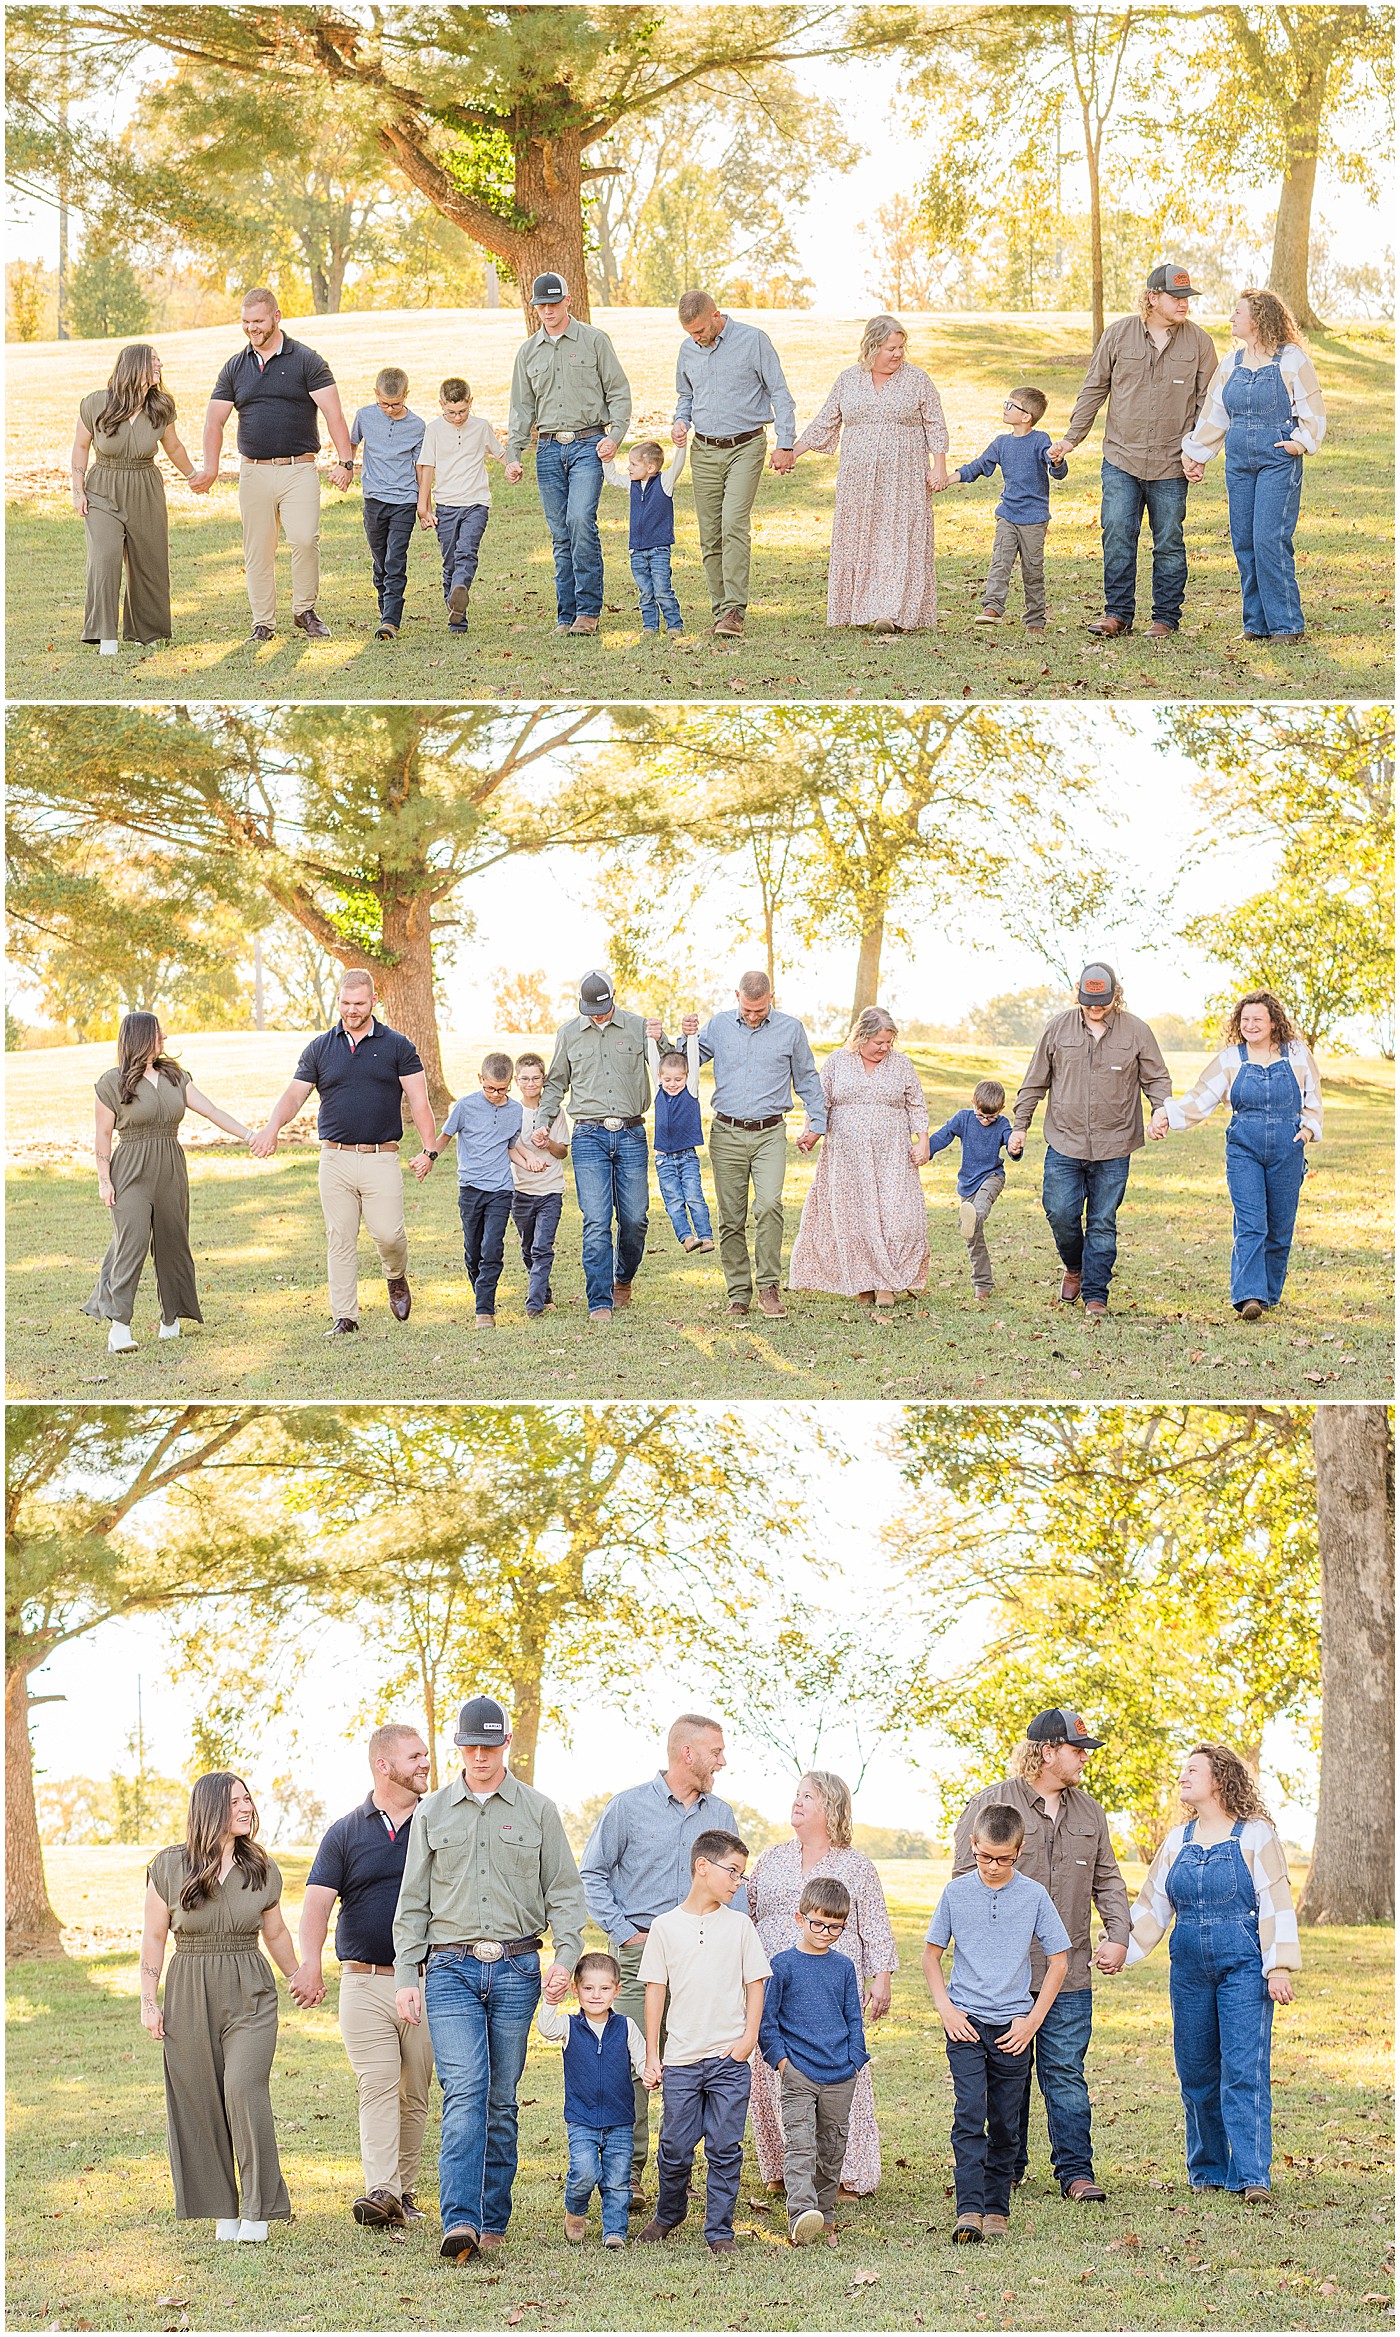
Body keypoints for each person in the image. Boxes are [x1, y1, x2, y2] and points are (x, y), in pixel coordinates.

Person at [393, 1695, 586, 2265]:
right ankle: (460, 2220)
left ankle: (493, 2216)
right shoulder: (432, 1811)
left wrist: (564, 1959)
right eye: (469, 1746)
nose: (479, 1756)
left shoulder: (538, 1810)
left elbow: (567, 1896)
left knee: (501, 2100)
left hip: (518, 1969)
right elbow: (412, 1904)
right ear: (459, 1747)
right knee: (465, 2089)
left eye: (490, 1745)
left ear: (506, 1745)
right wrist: (408, 1974)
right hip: (449, 1969)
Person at [952, 1708, 1132, 2203]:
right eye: (1077, 1750)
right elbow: (963, 1887)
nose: (1083, 1760)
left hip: (1067, 1972)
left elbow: (1108, 1878)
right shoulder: (992, 1804)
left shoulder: (1090, 1813)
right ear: (1047, 1751)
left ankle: (1075, 2171)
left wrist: (1118, 1933)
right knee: (1005, 2080)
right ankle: (1005, 2169)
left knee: (1065, 2072)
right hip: (1002, 1980)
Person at [1124, 1744, 1300, 2202]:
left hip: (1244, 1966)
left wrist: (1277, 1965)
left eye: (1193, 1770)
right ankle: (1207, 2170)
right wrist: (1119, 1949)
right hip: (1188, 1969)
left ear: (1219, 1780)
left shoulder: (1256, 1835)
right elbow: (1152, 1906)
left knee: (1243, 2069)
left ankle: (1251, 2176)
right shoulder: (1176, 1841)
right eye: (1182, 1769)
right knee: (1196, 2070)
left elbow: (1275, 1901)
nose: (1183, 1776)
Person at [579, 1715, 739, 2205]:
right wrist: (626, 1934)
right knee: (630, 2066)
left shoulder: (723, 1814)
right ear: (686, 1754)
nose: (723, 1761)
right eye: (716, 1751)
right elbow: (593, 1874)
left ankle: (677, 2177)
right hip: (637, 1958)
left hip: (703, 1959)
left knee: (691, 2062)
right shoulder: (627, 1808)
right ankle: (627, 2177)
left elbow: (737, 1884)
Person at [139, 1773, 298, 2240]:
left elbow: (276, 1932)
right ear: (210, 1810)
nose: (247, 1807)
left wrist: (298, 1976)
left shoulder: (262, 1868)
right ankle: (222, 2209)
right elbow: (153, 1937)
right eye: (236, 1801)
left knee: (245, 2086)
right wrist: (149, 2001)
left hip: (249, 1989)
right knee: (200, 2099)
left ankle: (258, 2207)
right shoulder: (169, 1867)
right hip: (188, 1988)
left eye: (249, 1798)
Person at [291, 1725, 436, 2229]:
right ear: (383, 1764)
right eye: (415, 1756)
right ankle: (382, 2189)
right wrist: (309, 1961)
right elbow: (316, 1904)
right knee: (376, 2083)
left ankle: (405, 2192)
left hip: (425, 1981)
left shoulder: (439, 1823)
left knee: (414, 2092)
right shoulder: (346, 1831)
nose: (425, 1762)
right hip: (363, 1982)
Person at [249, 969, 440, 1337]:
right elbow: (294, 1095)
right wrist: (273, 1127)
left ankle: (396, 1276)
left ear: (373, 1001)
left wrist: (428, 1149)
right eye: (346, 1003)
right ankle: (345, 1317)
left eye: (360, 1003)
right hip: (334, 1158)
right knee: (339, 1238)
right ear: (338, 1001)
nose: (352, 1011)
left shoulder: (398, 1045)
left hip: (381, 1157)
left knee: (388, 1235)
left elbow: (419, 1100)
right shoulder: (320, 1047)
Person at [746, 1771, 898, 2201]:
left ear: (830, 1807)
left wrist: (880, 1976)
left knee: (838, 2066)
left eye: (806, 1796)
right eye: (796, 1794)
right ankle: (782, 2168)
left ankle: (845, 2173)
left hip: (831, 1983)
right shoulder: (772, 1859)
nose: (796, 1801)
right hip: (776, 1982)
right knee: (773, 2067)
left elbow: (875, 1924)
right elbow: (749, 1915)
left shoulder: (855, 1865)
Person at [924, 1804, 1071, 2244]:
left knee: (1006, 2121)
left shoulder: (1034, 1896)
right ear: (973, 1846)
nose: (993, 1866)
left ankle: (996, 2208)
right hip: (965, 2022)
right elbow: (931, 1955)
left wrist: (1032, 2020)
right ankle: (968, 2208)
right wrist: (947, 2009)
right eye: (985, 1856)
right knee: (970, 2114)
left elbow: (1059, 1960)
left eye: (1004, 1859)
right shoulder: (955, 1893)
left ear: (1019, 1852)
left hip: (1013, 2026)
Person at [1048, 261, 1217, 640]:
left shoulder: (1200, 343)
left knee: (1169, 541)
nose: (1184, 304)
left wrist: (1198, 452)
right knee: (1118, 533)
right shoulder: (1119, 335)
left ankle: (1166, 618)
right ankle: (1118, 614)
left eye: (1187, 297)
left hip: (1172, 463)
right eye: (1177, 297)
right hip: (1121, 459)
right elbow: (1094, 388)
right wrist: (1072, 438)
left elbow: (1209, 405)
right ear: (1153, 297)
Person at [83, 1010, 254, 1355]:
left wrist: (250, 1135)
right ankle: (119, 1327)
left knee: (173, 1243)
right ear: (143, 1037)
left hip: (171, 1169)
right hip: (130, 1172)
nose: (165, 1039)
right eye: (159, 1034)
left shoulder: (176, 1077)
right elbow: (102, 1138)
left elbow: (213, 1111)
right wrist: (104, 1181)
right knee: (130, 1243)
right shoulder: (111, 1083)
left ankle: (170, 1319)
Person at [1008, 964, 1173, 1321]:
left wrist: (1161, 1110)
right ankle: (1074, 1266)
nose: (1095, 1008)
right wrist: (1020, 1126)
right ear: (1078, 994)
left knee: (1102, 1221)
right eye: (1088, 1001)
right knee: (1060, 1211)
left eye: (1101, 1001)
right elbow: (1034, 1081)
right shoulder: (1058, 1027)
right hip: (1065, 1140)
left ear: (1115, 994)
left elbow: (1157, 1079)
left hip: (1115, 1143)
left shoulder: (1137, 1031)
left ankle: (1096, 1294)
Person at [636, 1829, 771, 2257]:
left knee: (724, 2146)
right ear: (702, 1867)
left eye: (741, 1875)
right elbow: (655, 1991)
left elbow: (756, 1982)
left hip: (729, 2057)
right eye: (732, 1871)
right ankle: (669, 2213)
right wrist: (653, 2056)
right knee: (674, 2145)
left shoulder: (740, 1925)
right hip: (681, 2058)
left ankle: (719, 2230)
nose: (737, 1882)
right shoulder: (664, 1927)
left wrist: (748, 2039)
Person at [192, 287, 353, 642]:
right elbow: (213, 422)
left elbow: (333, 413)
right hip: (253, 472)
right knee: (258, 550)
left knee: (304, 539)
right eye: (246, 322)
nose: (252, 328)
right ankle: (262, 623)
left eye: (258, 321)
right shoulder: (235, 367)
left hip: (299, 469)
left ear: (276, 317)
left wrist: (346, 461)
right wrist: (211, 467)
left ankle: (304, 611)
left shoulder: (307, 360)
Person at [1150, 990, 1321, 1320]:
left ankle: (1269, 1293)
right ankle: (1249, 1297)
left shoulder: (1297, 1053)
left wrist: (1308, 1130)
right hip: (1244, 1148)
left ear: (1273, 1023)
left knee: (1280, 1226)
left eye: (1258, 1019)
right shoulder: (1231, 1059)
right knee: (1251, 1222)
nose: (1251, 1025)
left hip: (1288, 1148)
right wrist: (1166, 1115)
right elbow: (1199, 1099)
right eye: (1245, 1020)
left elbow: (1313, 1096)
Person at [1181, 289, 1327, 644]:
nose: (1231, 318)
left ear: (1259, 318)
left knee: (1269, 539)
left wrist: (1301, 442)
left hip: (1277, 461)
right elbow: (1215, 413)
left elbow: (1313, 408)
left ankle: (1287, 624)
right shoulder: (1231, 362)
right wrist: (1197, 453)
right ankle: (1256, 624)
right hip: (1239, 463)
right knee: (1244, 540)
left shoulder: (1291, 359)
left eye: (1237, 312)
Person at [790, 315, 948, 633]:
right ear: (872, 346)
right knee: (862, 539)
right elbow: (826, 421)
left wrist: (939, 465)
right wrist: (792, 453)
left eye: (902, 347)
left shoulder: (917, 380)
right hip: (857, 479)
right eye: (891, 348)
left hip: (904, 478)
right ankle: (861, 608)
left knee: (898, 541)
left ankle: (890, 612)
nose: (898, 354)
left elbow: (935, 422)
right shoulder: (848, 380)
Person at [682, 973, 826, 1320]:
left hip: (770, 1133)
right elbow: (685, 1060)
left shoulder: (791, 1030)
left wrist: (817, 1124)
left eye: (759, 1010)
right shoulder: (719, 1026)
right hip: (726, 1132)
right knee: (731, 1218)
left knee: (770, 1205)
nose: (752, 1016)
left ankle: (768, 1287)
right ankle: (738, 1294)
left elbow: (807, 1077)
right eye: (747, 1009)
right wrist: (683, 1035)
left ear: (771, 998)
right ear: (737, 997)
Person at [503, 273, 631, 637]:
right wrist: (514, 454)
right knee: (560, 534)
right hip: (546, 450)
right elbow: (520, 409)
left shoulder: (594, 341)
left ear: (568, 301)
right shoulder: (528, 352)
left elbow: (619, 393)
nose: (548, 311)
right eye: (541, 305)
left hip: (589, 445)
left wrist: (616, 437)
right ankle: (566, 615)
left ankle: (589, 610)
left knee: (579, 520)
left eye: (554, 304)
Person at [787, 1005, 929, 1313]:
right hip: (846, 1156)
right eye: (878, 1042)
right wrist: (811, 1133)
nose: (884, 1048)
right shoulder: (838, 1061)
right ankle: (862, 1283)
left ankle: (887, 1283)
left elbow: (916, 1104)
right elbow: (819, 1102)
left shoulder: (901, 1065)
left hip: (892, 1154)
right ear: (861, 1036)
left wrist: (923, 1142)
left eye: (888, 1042)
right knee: (853, 1217)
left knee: (894, 1216)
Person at [671, 290, 796, 639]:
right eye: (689, 334)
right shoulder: (688, 349)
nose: (696, 339)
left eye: (699, 330)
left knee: (733, 523)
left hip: (746, 445)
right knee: (709, 533)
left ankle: (734, 611)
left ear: (715, 315)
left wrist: (785, 443)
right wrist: (681, 421)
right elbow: (686, 395)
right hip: (704, 449)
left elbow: (780, 393)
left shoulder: (752, 341)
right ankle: (720, 609)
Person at [758, 1877, 871, 2245]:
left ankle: (823, 2212)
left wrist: (855, 2058)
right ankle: (801, 2213)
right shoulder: (783, 1965)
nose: (825, 1932)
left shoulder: (843, 1967)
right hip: (798, 2073)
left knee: (832, 2145)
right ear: (799, 1918)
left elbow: (854, 2017)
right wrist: (781, 2062)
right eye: (817, 1923)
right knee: (801, 2143)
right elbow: (767, 2020)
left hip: (841, 2073)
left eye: (835, 1926)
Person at [538, 970, 651, 1324]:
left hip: (632, 1134)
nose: (598, 1016)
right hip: (589, 1136)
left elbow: (671, 1066)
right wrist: (543, 1120)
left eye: (602, 1009)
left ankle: (623, 1278)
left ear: (614, 996)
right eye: (591, 1010)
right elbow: (555, 1083)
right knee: (597, 1220)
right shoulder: (569, 1034)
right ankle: (599, 1300)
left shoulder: (639, 1027)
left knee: (634, 1220)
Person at [70, 342, 196, 652]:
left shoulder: (161, 406)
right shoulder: (95, 404)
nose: (160, 365)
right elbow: (80, 446)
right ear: (134, 365)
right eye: (154, 360)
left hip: (145, 487)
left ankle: (147, 633)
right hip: (102, 488)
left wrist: (194, 475)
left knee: (150, 561)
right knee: (105, 557)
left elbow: (174, 447)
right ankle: (104, 635)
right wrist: (77, 489)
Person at [535, 1951, 650, 2247]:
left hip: (620, 2118)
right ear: (576, 1990)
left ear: (617, 1991)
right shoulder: (569, 2027)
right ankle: (575, 2209)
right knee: (585, 2171)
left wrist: (650, 2073)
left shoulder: (625, 2027)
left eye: (604, 1989)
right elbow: (546, 2029)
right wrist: (550, 2001)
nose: (596, 1995)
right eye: (588, 1988)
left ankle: (615, 2231)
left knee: (617, 2179)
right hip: (582, 2118)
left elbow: (641, 2059)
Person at [941, 385, 1068, 632]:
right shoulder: (1001, 443)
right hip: (1007, 515)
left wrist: (1058, 459)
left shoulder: (1040, 440)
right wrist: (949, 478)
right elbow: (978, 466)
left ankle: (1035, 619)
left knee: (1032, 570)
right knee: (1000, 561)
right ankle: (993, 607)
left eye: (1011, 405)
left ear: (1025, 417)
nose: (1005, 408)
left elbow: (1056, 470)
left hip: (1033, 519)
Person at [439, 1051, 550, 1328]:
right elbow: (444, 1137)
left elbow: (511, 1147)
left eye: (502, 1089)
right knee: (473, 1251)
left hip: (501, 1189)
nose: (496, 1094)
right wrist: (427, 1157)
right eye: (490, 1088)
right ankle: (482, 1293)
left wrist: (530, 1162)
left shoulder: (514, 1111)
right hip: (470, 1188)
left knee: (492, 1248)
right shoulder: (464, 1106)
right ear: (480, 1079)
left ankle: (484, 1310)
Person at [415, 376, 506, 636]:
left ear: (471, 403)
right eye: (451, 412)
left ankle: (460, 588)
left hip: (476, 502)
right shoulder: (433, 430)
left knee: (466, 551)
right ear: (441, 404)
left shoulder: (480, 426)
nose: (457, 418)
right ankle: (457, 617)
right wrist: (424, 507)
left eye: (463, 411)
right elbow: (427, 469)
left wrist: (511, 465)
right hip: (445, 505)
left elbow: (499, 452)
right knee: (450, 561)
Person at [349, 365, 426, 641]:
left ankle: (391, 620)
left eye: (396, 404)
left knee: (395, 559)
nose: (390, 409)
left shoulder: (417, 426)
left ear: (406, 395)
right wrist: (346, 466)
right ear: (375, 395)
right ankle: (385, 608)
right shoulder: (365, 416)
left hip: (404, 500)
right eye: (384, 403)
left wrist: (424, 503)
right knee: (380, 559)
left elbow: (422, 467)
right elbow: (352, 443)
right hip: (374, 499)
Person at [925, 1077, 1016, 1304]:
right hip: (968, 1184)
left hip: (992, 1176)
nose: (986, 1121)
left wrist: (1015, 1147)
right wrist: (926, 1151)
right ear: (973, 1102)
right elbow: (943, 1135)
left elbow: (1011, 1143)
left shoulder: (1003, 1123)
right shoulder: (964, 1118)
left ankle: (973, 1215)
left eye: (991, 1117)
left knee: (980, 1207)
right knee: (974, 1237)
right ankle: (983, 1285)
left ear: (1001, 1109)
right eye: (981, 1115)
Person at [601, 438, 687, 637]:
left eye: (633, 464)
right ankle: (650, 627)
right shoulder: (632, 484)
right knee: (646, 592)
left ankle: (674, 625)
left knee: (662, 590)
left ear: (650, 467)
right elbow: (612, 478)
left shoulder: (664, 483)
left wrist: (680, 446)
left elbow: (678, 466)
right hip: (637, 550)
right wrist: (607, 459)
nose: (629, 468)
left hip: (659, 550)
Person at [510, 1053, 570, 1318]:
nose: (531, 1083)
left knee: (542, 1247)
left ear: (543, 1080)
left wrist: (549, 1144)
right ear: (516, 1080)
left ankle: (534, 1303)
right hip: (520, 1190)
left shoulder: (555, 1112)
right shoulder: (511, 1111)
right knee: (527, 1247)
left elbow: (562, 1153)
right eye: (525, 1078)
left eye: (536, 1078)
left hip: (550, 1190)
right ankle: (544, 1293)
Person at [645, 1024, 714, 1253]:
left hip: (687, 1156)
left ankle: (706, 1237)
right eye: (668, 1080)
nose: (672, 1084)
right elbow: (653, 1061)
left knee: (694, 1197)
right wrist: (651, 1039)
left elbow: (693, 1060)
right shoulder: (659, 1089)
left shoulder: (691, 1089)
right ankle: (686, 1237)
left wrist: (692, 1036)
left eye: (678, 1079)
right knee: (673, 1201)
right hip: (663, 1159)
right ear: (660, 1078)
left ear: (686, 1077)